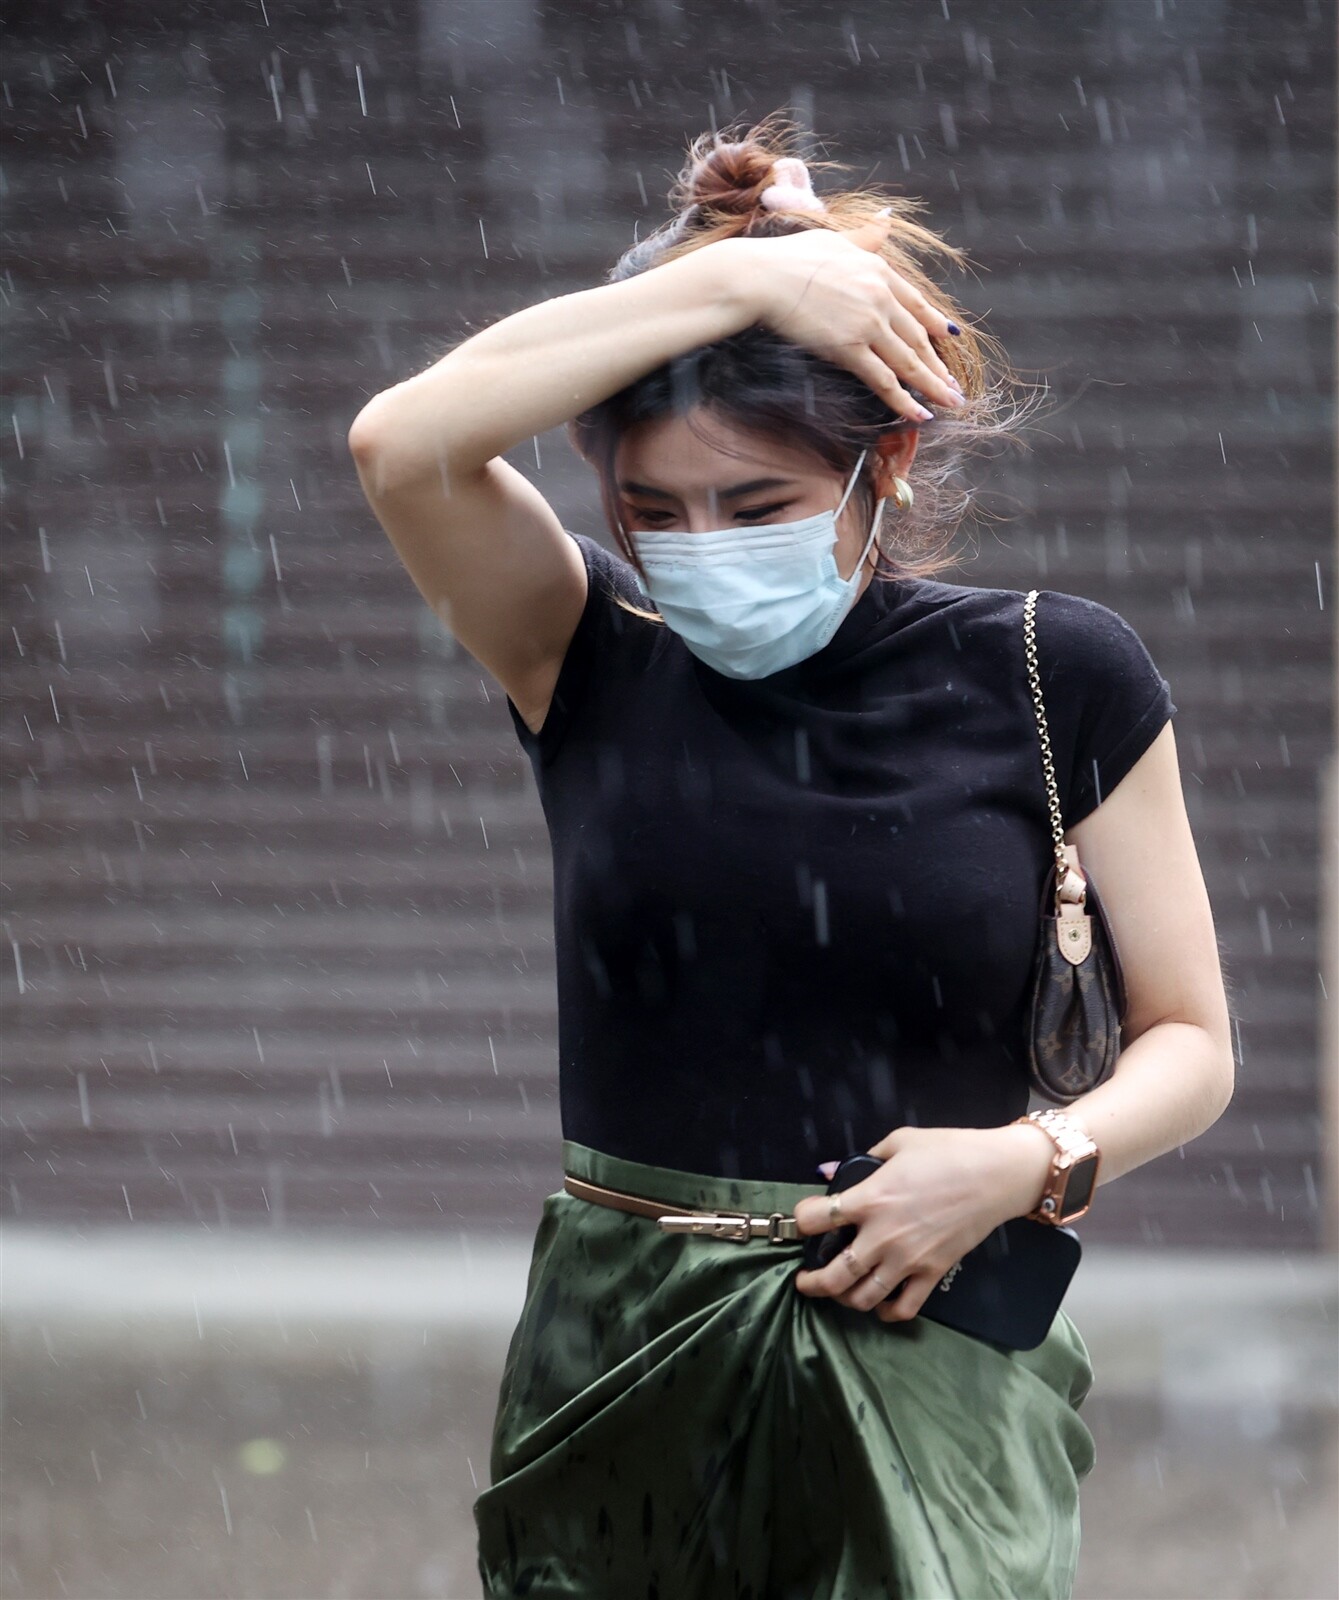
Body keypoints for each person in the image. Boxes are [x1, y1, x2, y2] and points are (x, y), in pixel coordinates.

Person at [349, 115, 1235, 1600]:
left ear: (883, 459)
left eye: (754, 507)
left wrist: (1027, 1164)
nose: (700, 547)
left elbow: (1193, 1043)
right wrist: (744, 287)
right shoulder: (585, 649)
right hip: (624, 1343)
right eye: (653, 511)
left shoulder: (1055, 670)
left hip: (932, 1339)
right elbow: (403, 440)